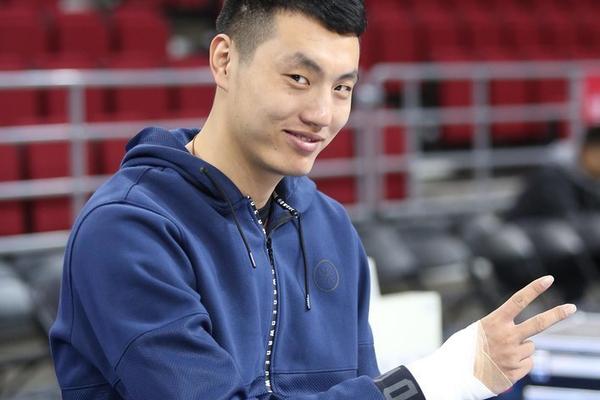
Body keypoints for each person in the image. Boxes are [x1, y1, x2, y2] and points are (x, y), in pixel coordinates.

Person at [49, 1, 576, 399]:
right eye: (299, 79)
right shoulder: (126, 231)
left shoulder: (329, 225)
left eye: (342, 88)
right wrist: (431, 381)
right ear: (225, 60)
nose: (322, 114)